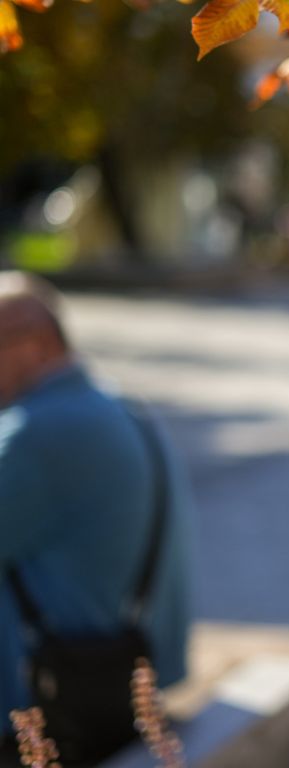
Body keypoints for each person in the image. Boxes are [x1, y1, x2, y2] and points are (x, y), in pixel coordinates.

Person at [0, 272, 191, 763]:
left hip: (40, 706)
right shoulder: (129, 412)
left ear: (37, 345)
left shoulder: (34, 434)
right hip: (129, 680)